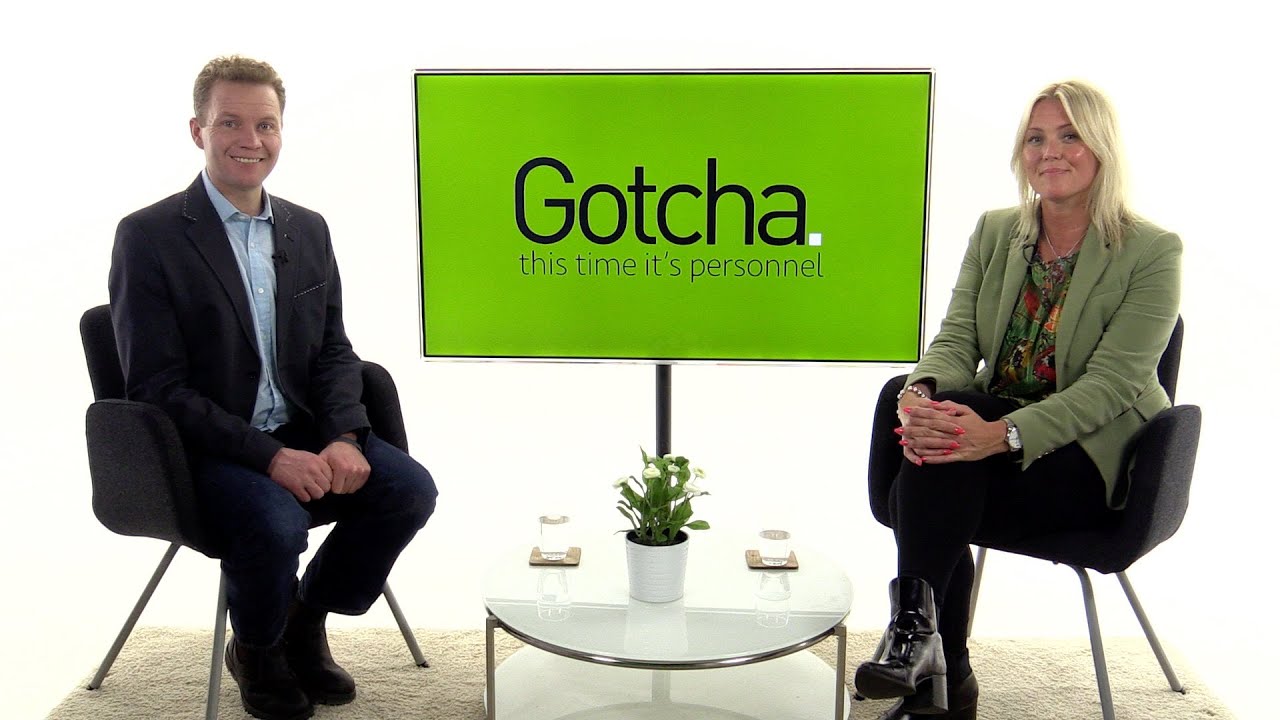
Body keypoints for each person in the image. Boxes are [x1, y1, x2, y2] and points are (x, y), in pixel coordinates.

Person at [108, 55, 438, 720]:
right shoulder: (148, 237)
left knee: (408, 489)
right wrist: (271, 458)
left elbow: (334, 349)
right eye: (230, 122)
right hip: (205, 450)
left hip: (301, 427)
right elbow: (158, 387)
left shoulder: (307, 229)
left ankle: (303, 619)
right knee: (273, 519)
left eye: (265, 125)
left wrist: (343, 436)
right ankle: (256, 650)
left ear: (281, 132)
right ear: (198, 130)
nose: (249, 140)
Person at [854, 80, 1181, 720]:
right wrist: (921, 394)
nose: (1049, 151)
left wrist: (996, 436)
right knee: (933, 428)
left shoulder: (1152, 250)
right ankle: (927, 651)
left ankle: (934, 671)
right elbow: (957, 338)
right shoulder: (996, 230)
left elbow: (1112, 385)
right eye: (1035, 138)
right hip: (987, 440)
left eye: (1069, 136)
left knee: (940, 467)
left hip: (1087, 453)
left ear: (1101, 146)